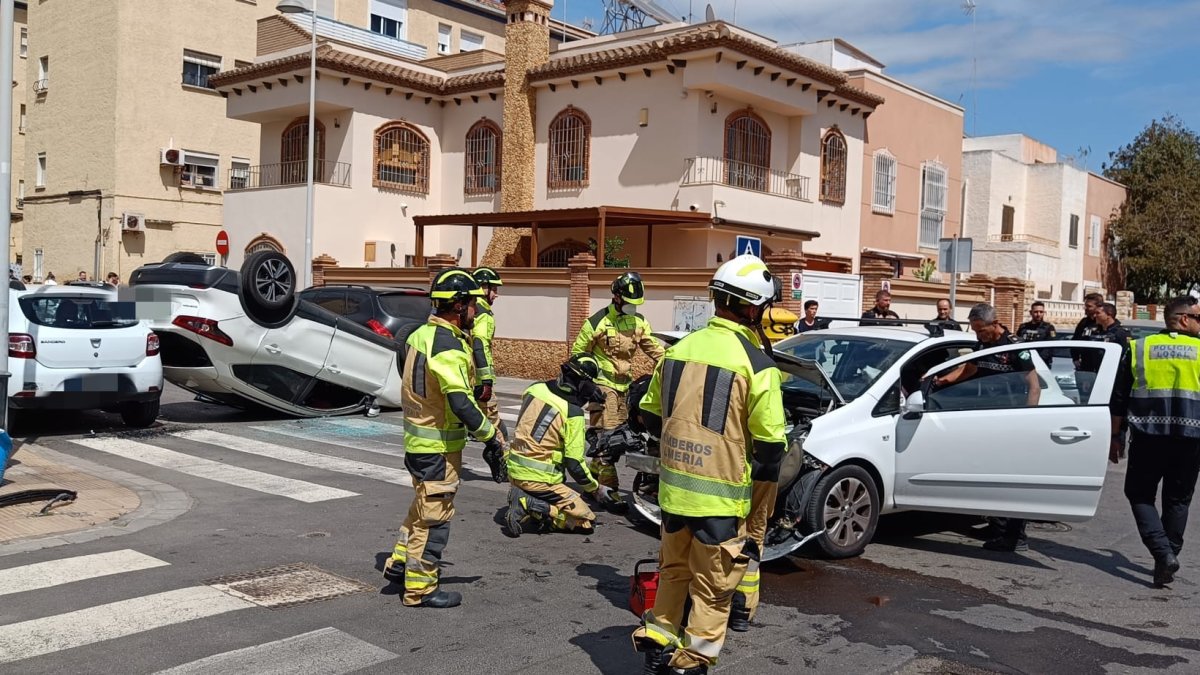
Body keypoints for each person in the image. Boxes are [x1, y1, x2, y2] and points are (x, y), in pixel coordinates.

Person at [631, 254, 787, 675]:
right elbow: (772, 448)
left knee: (674, 572)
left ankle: (659, 641)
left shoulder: (678, 351)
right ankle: (692, 661)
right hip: (720, 501)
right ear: (754, 309)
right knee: (715, 589)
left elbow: (649, 414)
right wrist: (758, 511)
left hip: (673, 493)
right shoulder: (758, 365)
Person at [382, 267, 507, 609]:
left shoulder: (417, 336)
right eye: (472, 305)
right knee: (435, 519)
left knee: (421, 508)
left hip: (417, 443)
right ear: (458, 305)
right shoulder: (449, 346)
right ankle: (421, 589)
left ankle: (398, 564)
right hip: (438, 447)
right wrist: (491, 436)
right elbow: (459, 399)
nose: (476, 311)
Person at [932, 303, 1039, 552]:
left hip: (1011, 419)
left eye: (981, 330)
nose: (978, 335)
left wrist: (1029, 420)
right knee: (995, 475)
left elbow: (1034, 385)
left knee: (1012, 479)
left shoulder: (1015, 346)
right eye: (975, 331)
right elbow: (969, 369)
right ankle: (998, 526)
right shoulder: (983, 344)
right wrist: (940, 381)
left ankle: (1016, 536)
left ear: (995, 323)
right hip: (989, 418)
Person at [1110, 296, 1200, 588]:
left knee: (1139, 494)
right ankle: (1168, 555)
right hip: (1191, 440)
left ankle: (1163, 555)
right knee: (1178, 499)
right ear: (1184, 319)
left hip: (1149, 438)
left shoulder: (1139, 348)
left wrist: (1116, 437)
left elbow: (1119, 399)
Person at [571, 270, 665, 497]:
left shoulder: (638, 321)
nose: (634, 307)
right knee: (607, 436)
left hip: (626, 388)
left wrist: (674, 362)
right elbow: (578, 355)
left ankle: (596, 474)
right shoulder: (598, 322)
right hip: (603, 388)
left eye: (637, 304)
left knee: (625, 437)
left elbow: (655, 349)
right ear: (617, 297)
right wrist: (587, 385)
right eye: (630, 303)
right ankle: (608, 488)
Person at [504, 354, 615, 536]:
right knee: (586, 522)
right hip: (539, 479)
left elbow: (554, 393)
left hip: (514, 471)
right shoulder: (572, 413)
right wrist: (595, 489)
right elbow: (574, 464)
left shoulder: (534, 388)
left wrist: (585, 392)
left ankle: (528, 500)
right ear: (582, 385)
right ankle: (529, 504)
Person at [471, 267, 506, 444]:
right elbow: (479, 345)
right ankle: (503, 466)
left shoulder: (470, 308)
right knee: (495, 428)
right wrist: (486, 381)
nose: (496, 295)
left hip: (467, 377)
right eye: (494, 289)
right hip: (478, 382)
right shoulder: (483, 314)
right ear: (483, 288)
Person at [1076, 303, 1132, 400]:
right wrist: (1086, 377)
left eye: (1098, 313)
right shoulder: (1092, 332)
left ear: (1109, 315)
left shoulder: (1121, 333)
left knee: (1115, 410)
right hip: (1095, 377)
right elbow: (1087, 357)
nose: (1095, 315)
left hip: (1115, 379)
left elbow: (1125, 358)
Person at [1017, 301, 1058, 366]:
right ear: (1031, 312)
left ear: (1044, 313)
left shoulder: (1049, 328)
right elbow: (1018, 344)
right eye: (1036, 312)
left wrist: (1038, 359)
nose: (1038, 314)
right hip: (1024, 362)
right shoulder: (1023, 327)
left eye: (1041, 312)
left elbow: (1050, 347)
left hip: (1042, 363)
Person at [1072, 292, 1104, 365]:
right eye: (1085, 306)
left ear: (1098, 307)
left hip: (1101, 364)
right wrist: (1075, 358)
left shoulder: (1104, 322)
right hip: (1085, 363)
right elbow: (1075, 340)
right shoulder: (1084, 322)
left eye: (1089, 306)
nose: (1085, 308)